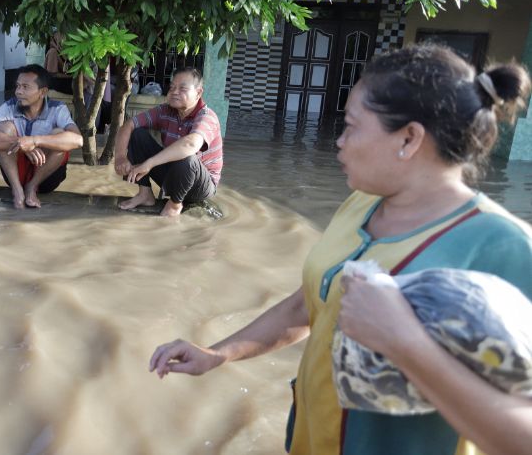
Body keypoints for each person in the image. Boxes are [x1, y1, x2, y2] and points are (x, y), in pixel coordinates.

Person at [148, 44, 532, 455]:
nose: (339, 142)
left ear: (409, 138)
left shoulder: (503, 247)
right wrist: (216, 354)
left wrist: (407, 343)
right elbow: (308, 307)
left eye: (351, 126)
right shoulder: (362, 202)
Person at [114, 67, 223, 217]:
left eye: (182, 88)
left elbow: (191, 144)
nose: (174, 92)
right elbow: (129, 124)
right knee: (137, 134)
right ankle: (145, 194)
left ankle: (174, 205)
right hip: (174, 174)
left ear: (198, 93)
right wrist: (120, 157)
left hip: (200, 186)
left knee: (188, 157)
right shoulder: (165, 111)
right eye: (172, 87)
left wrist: (149, 163)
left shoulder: (207, 116)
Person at [0, 64, 83, 209]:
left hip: (46, 179)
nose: (18, 92)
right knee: (4, 128)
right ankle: (17, 190)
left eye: (25, 87)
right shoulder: (9, 107)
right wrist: (20, 144)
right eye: (17, 86)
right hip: (16, 175)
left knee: (60, 134)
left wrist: (34, 141)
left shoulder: (57, 108)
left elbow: (78, 140)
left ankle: (31, 187)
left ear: (43, 92)